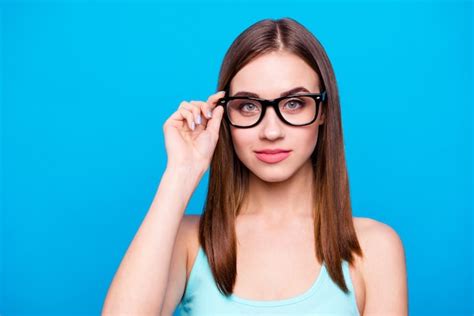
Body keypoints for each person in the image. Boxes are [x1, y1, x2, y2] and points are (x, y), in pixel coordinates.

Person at [102, 17, 408, 316]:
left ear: (323, 111)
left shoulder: (374, 247)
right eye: (249, 106)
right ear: (223, 114)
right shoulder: (187, 242)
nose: (271, 132)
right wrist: (181, 173)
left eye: (294, 103)